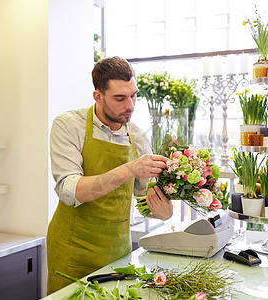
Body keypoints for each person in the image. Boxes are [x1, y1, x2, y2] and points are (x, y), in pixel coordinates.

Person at [46, 56, 173, 294]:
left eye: (134, 95)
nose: (131, 105)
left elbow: (145, 199)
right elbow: (69, 191)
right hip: (72, 250)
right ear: (98, 96)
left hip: (118, 251)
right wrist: (129, 169)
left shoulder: (137, 136)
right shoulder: (68, 125)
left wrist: (163, 211)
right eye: (120, 98)